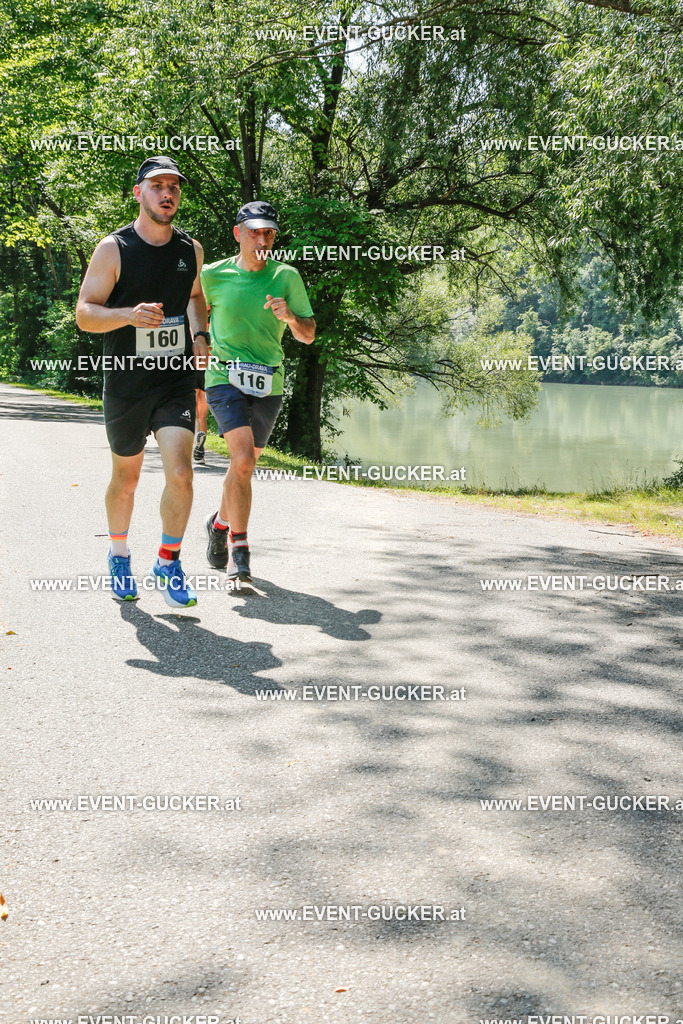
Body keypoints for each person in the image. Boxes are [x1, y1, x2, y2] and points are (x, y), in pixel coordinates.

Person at [75, 156, 208, 607]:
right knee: (126, 479)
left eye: (173, 186)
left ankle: (168, 562)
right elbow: (85, 314)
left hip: (173, 379)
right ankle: (118, 555)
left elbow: (194, 297)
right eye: (157, 186)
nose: (167, 193)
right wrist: (127, 316)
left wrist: (201, 334)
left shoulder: (191, 250)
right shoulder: (114, 248)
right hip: (127, 381)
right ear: (139, 193)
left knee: (182, 473)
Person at [196, 201, 315, 583]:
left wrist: (290, 317)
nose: (262, 239)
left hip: (269, 382)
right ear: (238, 233)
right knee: (244, 460)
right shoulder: (212, 275)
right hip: (223, 377)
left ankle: (218, 524)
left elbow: (308, 335)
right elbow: (192, 305)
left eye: (269, 233)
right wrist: (199, 340)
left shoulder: (286, 277)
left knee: (242, 466)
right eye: (254, 232)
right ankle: (240, 551)